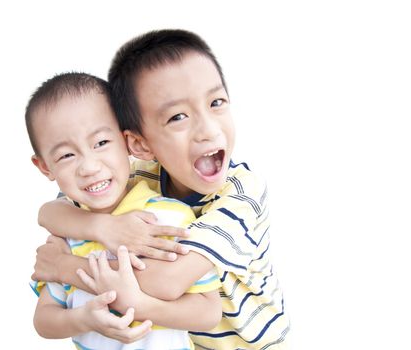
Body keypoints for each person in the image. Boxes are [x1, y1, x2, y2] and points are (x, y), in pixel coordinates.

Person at [33, 30, 291, 349]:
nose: (208, 130)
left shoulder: (241, 194)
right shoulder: (135, 177)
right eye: (178, 117)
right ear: (139, 144)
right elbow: (52, 212)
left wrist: (64, 267)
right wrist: (103, 226)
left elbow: (167, 282)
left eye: (216, 102)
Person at [25, 72, 222, 349]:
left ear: (128, 141)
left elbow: (208, 312)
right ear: (45, 166)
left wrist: (142, 305)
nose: (89, 167)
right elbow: (44, 320)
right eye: (67, 155)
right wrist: (84, 319)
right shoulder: (66, 234)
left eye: (101, 143)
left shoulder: (168, 218)